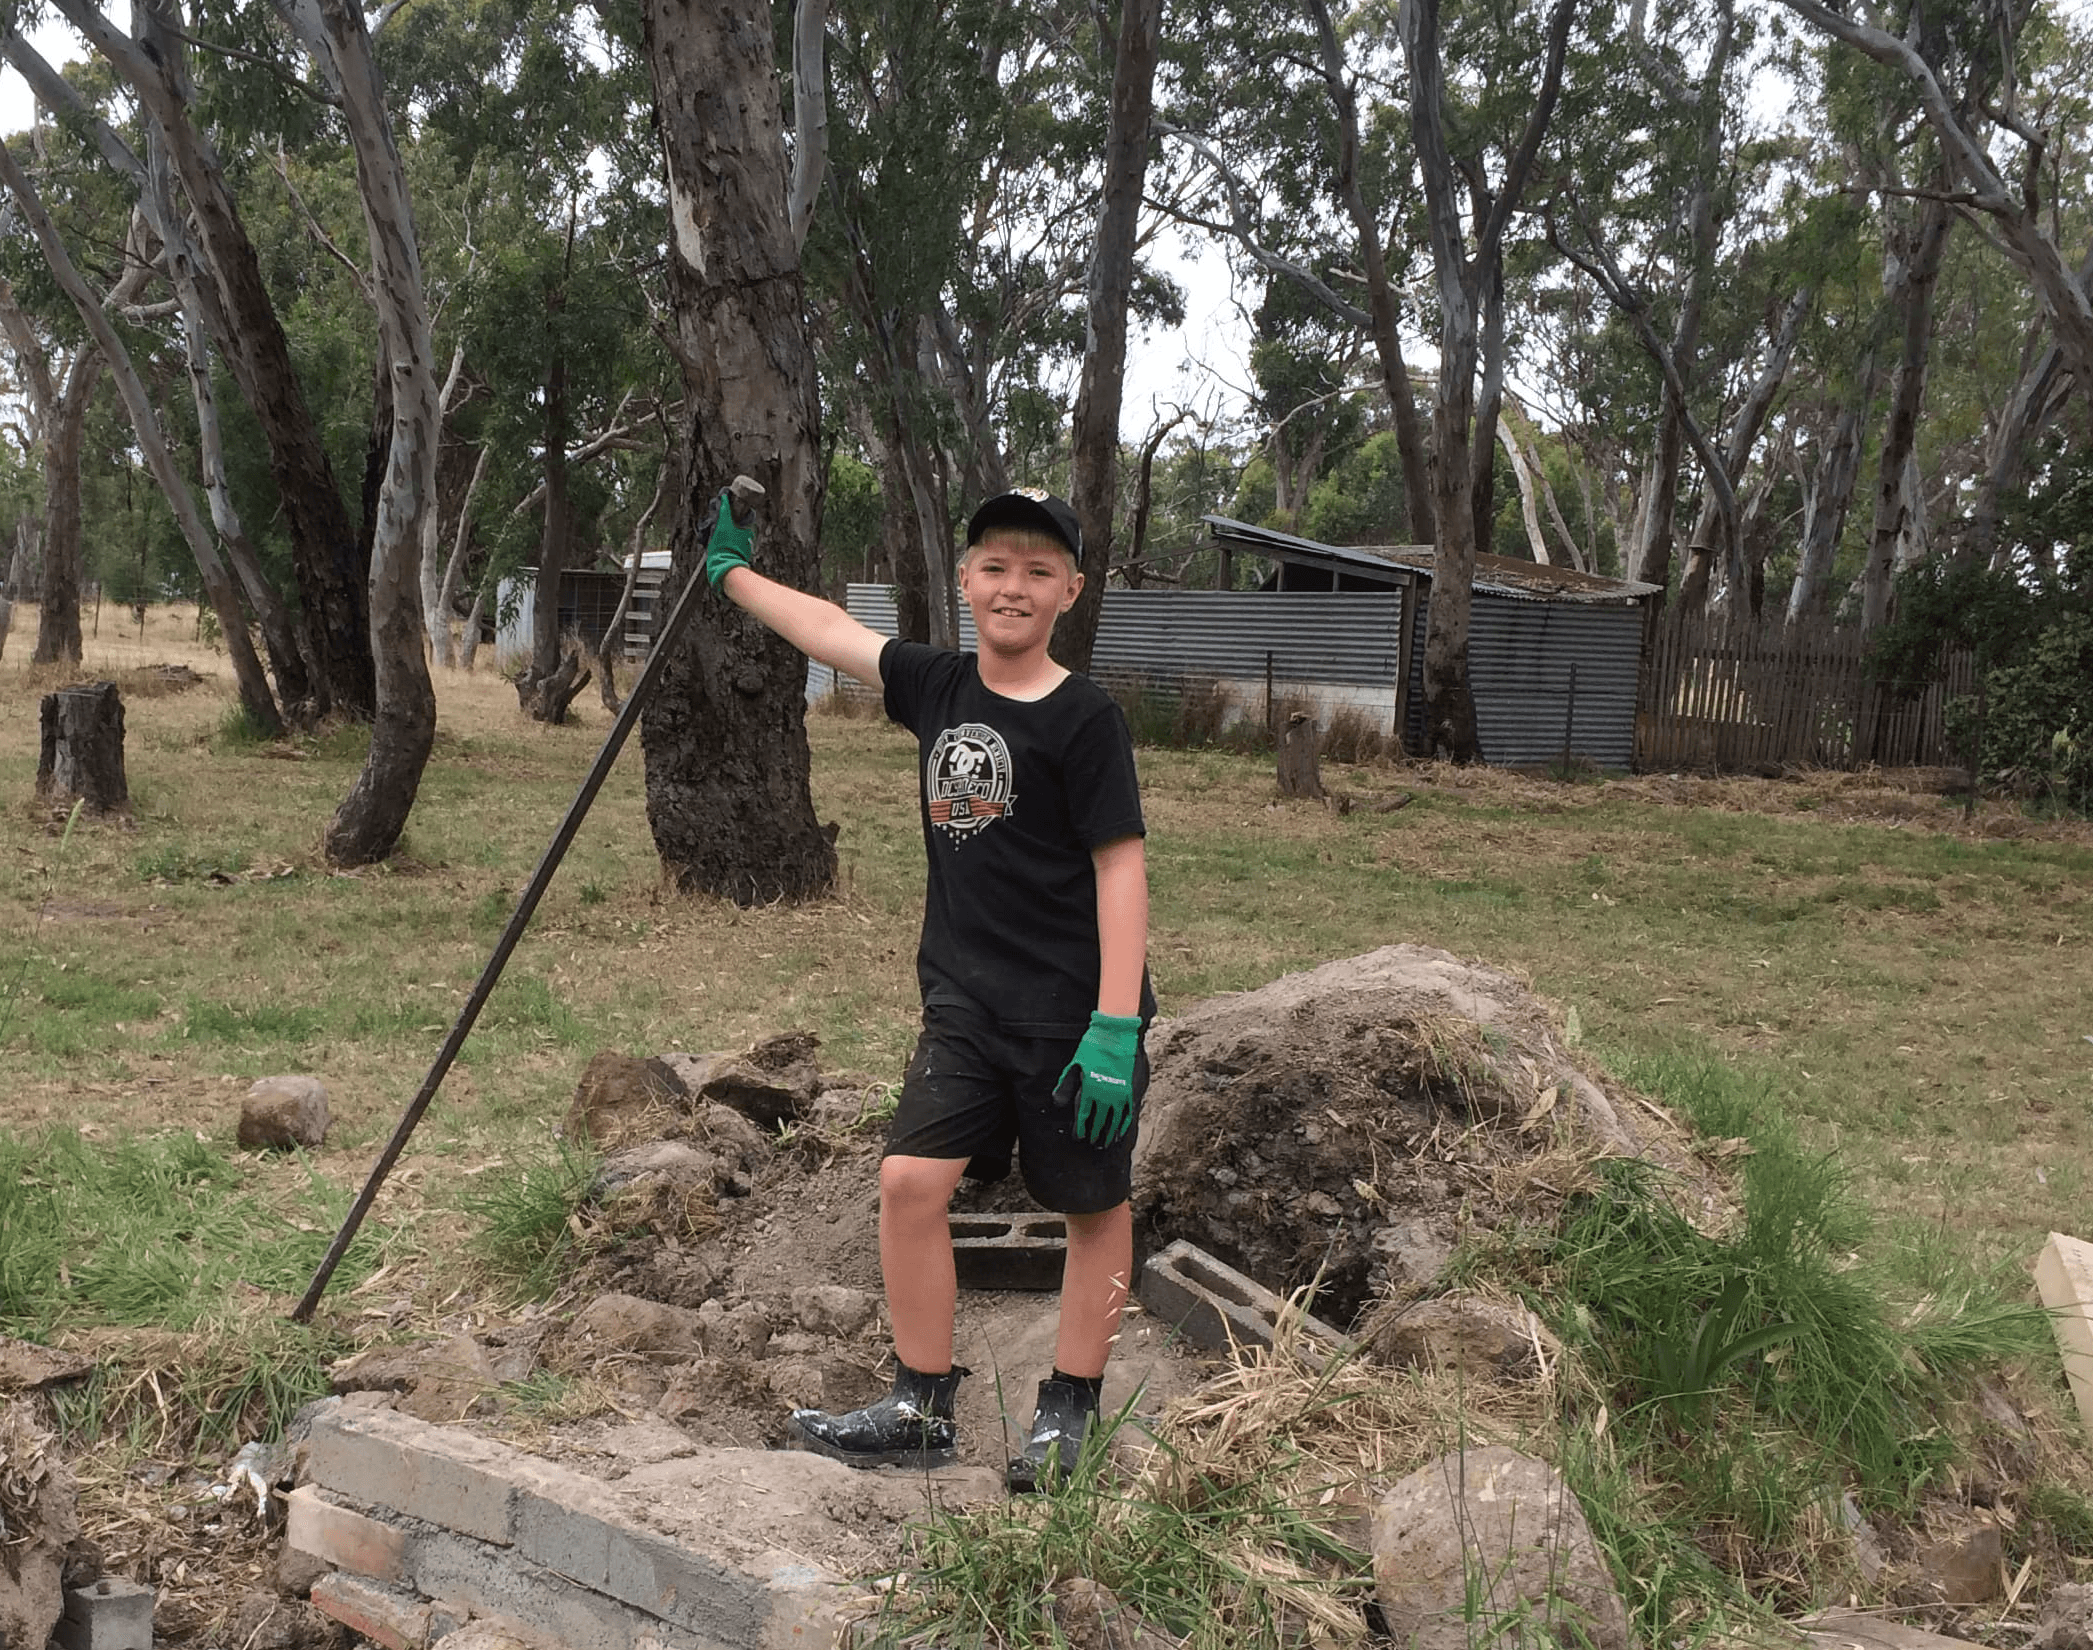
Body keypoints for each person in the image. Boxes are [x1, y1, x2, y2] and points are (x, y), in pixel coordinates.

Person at [700, 484, 1153, 1492]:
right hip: (963, 1007)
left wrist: (1115, 1024)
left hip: (1071, 1018)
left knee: (1090, 1205)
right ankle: (919, 1406)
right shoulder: (938, 687)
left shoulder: (1085, 720)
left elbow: (1120, 869)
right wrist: (731, 576)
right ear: (963, 581)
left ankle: (1067, 1407)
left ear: (1068, 591)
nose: (1012, 586)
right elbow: (823, 629)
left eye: (1038, 571)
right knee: (908, 1182)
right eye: (994, 566)